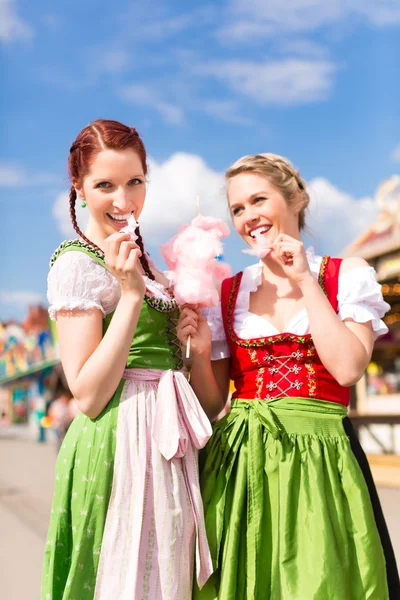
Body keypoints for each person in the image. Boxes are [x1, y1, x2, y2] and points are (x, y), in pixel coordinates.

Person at [178, 153, 397, 599]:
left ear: (296, 198)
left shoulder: (345, 274)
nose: (248, 217)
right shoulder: (229, 291)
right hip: (239, 464)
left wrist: (305, 281)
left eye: (259, 199)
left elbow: (349, 368)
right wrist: (200, 354)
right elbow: (213, 402)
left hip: (322, 458)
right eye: (237, 208)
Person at [41, 119, 212, 600]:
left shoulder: (148, 261)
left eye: (135, 181)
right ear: (78, 188)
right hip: (120, 440)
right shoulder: (78, 262)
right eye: (105, 185)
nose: (124, 199)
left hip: (166, 436)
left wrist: (190, 345)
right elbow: (89, 394)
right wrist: (132, 295)